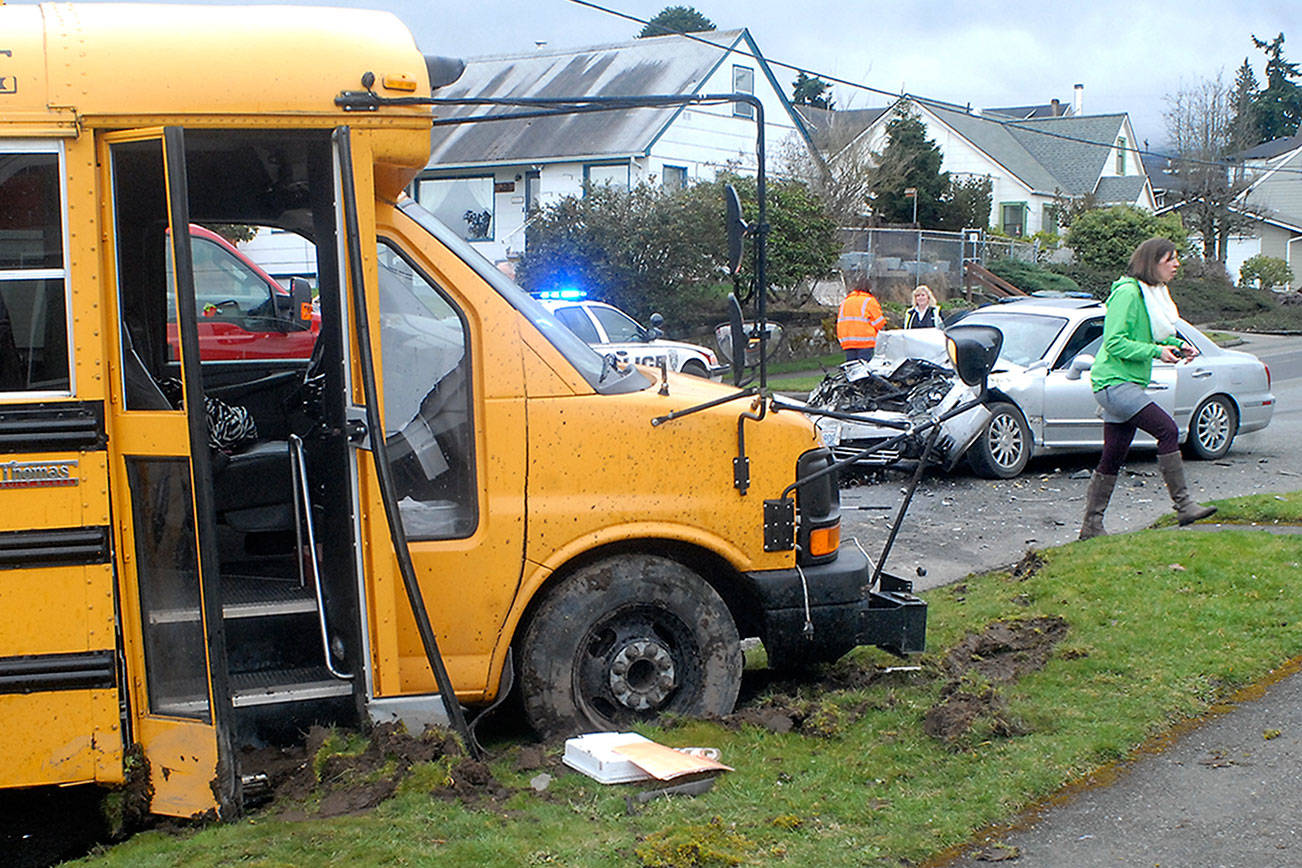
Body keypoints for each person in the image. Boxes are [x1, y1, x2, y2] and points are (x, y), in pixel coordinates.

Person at [1079, 237, 1216, 539]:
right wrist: (1156, 352)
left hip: (1126, 382)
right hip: (1113, 382)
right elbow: (1114, 342)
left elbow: (1152, 335)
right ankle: (1184, 506)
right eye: (1171, 259)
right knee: (1167, 430)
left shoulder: (1150, 295)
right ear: (1152, 263)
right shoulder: (1128, 294)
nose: (1177, 264)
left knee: (1113, 455)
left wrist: (1178, 345)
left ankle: (1091, 526)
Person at [837, 279, 886, 362]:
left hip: (848, 341)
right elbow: (879, 323)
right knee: (864, 370)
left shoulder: (845, 302)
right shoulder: (869, 301)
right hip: (865, 341)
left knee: (852, 369)